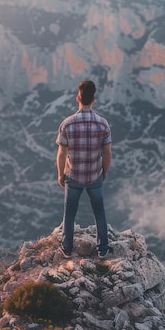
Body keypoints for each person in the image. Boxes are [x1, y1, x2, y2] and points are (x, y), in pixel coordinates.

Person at [56, 80, 113, 258]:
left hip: (73, 177)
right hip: (95, 176)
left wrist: (60, 174)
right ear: (94, 99)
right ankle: (103, 249)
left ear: (77, 98)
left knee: (69, 214)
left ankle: (67, 248)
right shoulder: (103, 124)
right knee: (99, 213)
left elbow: (61, 154)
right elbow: (107, 153)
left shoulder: (67, 124)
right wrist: (104, 172)